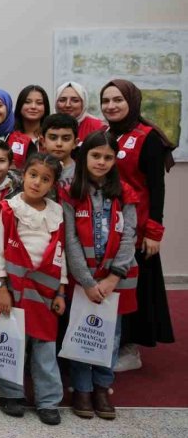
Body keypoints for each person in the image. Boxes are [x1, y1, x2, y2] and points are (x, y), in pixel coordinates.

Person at [0, 153, 67, 426]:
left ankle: (48, 400)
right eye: (33, 175)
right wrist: (1, 287)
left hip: (46, 291)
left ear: (53, 185)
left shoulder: (57, 212)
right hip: (15, 289)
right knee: (13, 342)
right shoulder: (9, 209)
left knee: (45, 348)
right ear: (23, 176)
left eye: (45, 179)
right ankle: (11, 393)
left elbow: (59, 253)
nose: (37, 183)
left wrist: (61, 291)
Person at [100, 79, 175, 370]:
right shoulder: (104, 135)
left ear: (132, 101)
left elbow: (157, 188)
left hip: (139, 230)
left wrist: (154, 231)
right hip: (109, 229)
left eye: (118, 99)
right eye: (106, 100)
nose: (111, 106)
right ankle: (111, 342)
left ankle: (131, 349)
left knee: (137, 290)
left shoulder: (148, 137)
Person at [63, 131, 139, 420]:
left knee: (110, 334)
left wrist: (112, 278)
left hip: (113, 282)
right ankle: (81, 388)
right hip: (83, 280)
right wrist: (86, 280)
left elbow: (129, 235)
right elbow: (70, 239)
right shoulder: (71, 192)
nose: (102, 161)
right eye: (96, 155)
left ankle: (102, 387)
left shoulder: (125, 192)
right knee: (82, 333)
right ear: (84, 157)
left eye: (108, 157)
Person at [40, 113, 79, 192]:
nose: (59, 144)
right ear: (43, 141)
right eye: (53, 138)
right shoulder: (35, 169)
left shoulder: (80, 172)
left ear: (75, 143)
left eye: (66, 138)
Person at [14, 85, 51, 149]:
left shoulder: (51, 136)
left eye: (39, 103)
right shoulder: (10, 136)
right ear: (19, 105)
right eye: (27, 102)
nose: (33, 107)